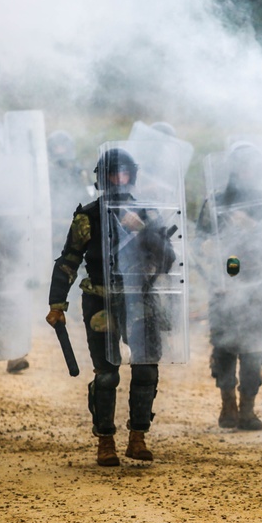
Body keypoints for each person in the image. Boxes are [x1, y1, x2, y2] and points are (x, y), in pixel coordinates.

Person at [46, 147, 177, 467]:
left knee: (146, 368)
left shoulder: (145, 214)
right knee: (106, 374)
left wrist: (143, 232)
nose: (119, 179)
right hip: (100, 298)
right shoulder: (88, 216)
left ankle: (138, 437)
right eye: (113, 174)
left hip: (139, 296)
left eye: (124, 173)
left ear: (132, 176)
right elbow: (68, 261)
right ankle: (105, 440)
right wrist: (56, 303)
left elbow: (168, 259)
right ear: (103, 178)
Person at [196, 142, 262, 430]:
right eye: (242, 166)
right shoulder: (216, 201)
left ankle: (248, 408)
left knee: (254, 351)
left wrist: (252, 228)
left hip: (257, 287)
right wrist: (206, 252)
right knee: (224, 348)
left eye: (252, 167)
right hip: (223, 286)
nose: (247, 172)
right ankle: (227, 403)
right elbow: (198, 243)